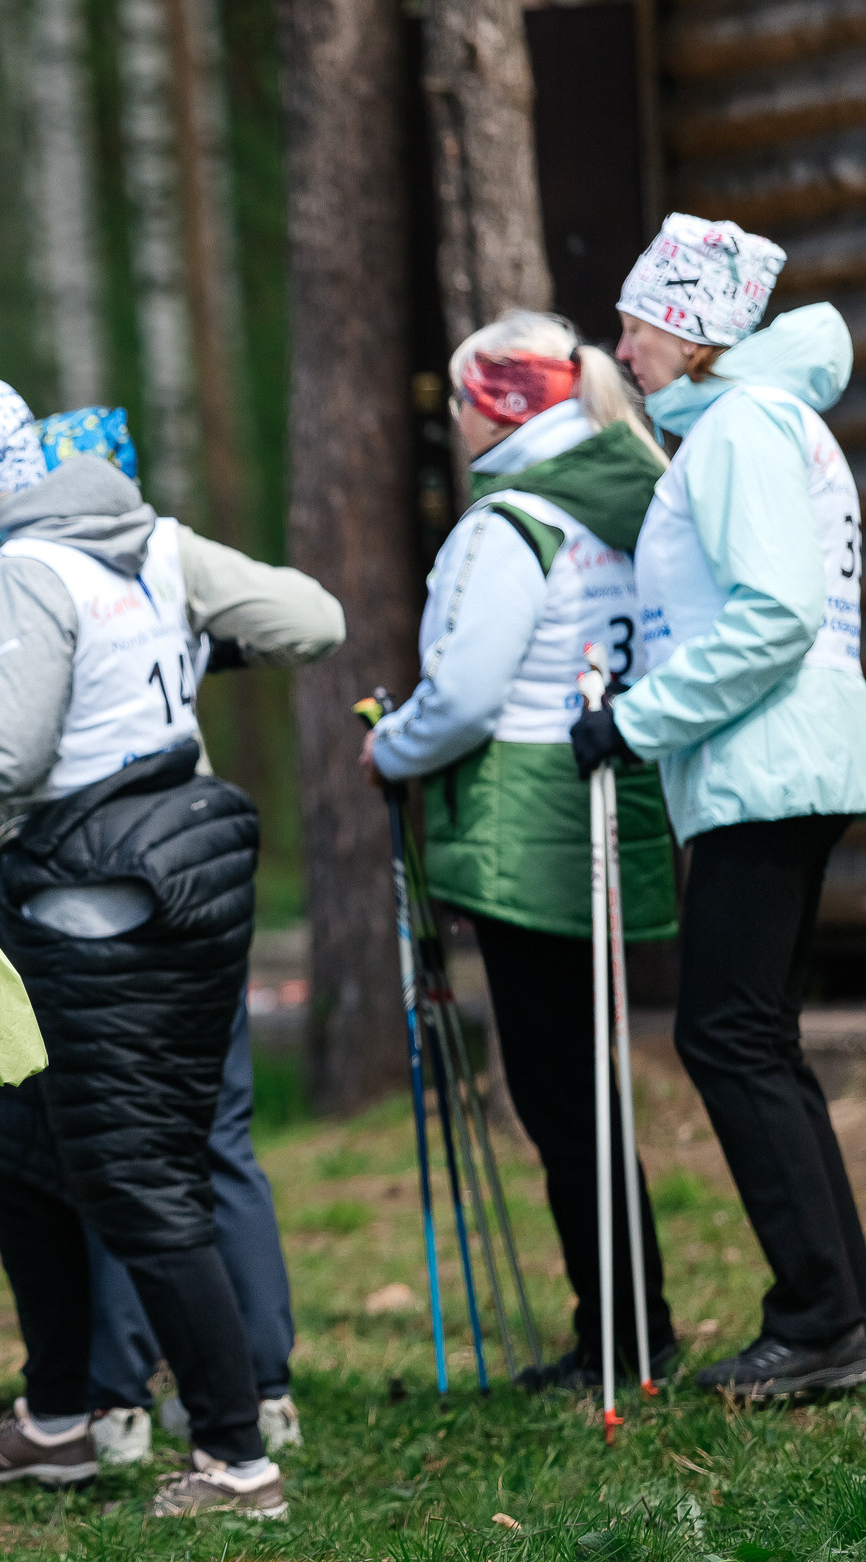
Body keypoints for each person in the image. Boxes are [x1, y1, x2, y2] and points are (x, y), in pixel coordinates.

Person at [0, 385, 336, 1476]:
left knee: (142, 1183)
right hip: (187, 874)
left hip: (91, 905)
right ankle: (63, 1417)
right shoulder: (149, 545)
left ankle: (235, 1460)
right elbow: (310, 622)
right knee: (33, 1148)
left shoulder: (14, 573)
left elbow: (9, 756)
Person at [579, 214, 866, 1399]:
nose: (622, 343)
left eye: (634, 321)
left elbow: (773, 612)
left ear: (693, 329)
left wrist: (634, 720)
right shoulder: (737, 424)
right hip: (771, 762)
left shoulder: (742, 429)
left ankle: (818, 1319)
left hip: (770, 760)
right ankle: (842, 1313)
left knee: (724, 1034)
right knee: (756, 1036)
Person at [364, 309, 681, 1393]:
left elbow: (464, 693)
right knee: (581, 1085)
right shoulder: (628, 494)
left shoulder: (513, 521)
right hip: (608, 797)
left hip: (527, 824)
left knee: (556, 1091)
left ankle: (622, 1335)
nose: (452, 421)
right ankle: (630, 1321)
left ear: (496, 403)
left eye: (459, 399)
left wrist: (390, 746)